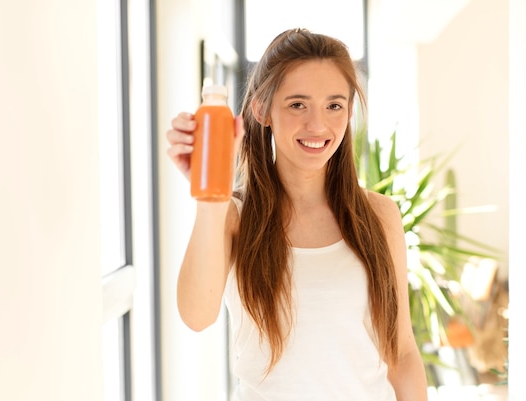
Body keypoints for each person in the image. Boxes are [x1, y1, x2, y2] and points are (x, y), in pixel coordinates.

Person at [166, 28, 428, 401]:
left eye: (334, 105)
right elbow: (196, 315)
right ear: (262, 109)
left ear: (349, 111)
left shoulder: (379, 216)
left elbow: (401, 353)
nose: (317, 125)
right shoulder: (234, 216)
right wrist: (212, 195)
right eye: (297, 104)